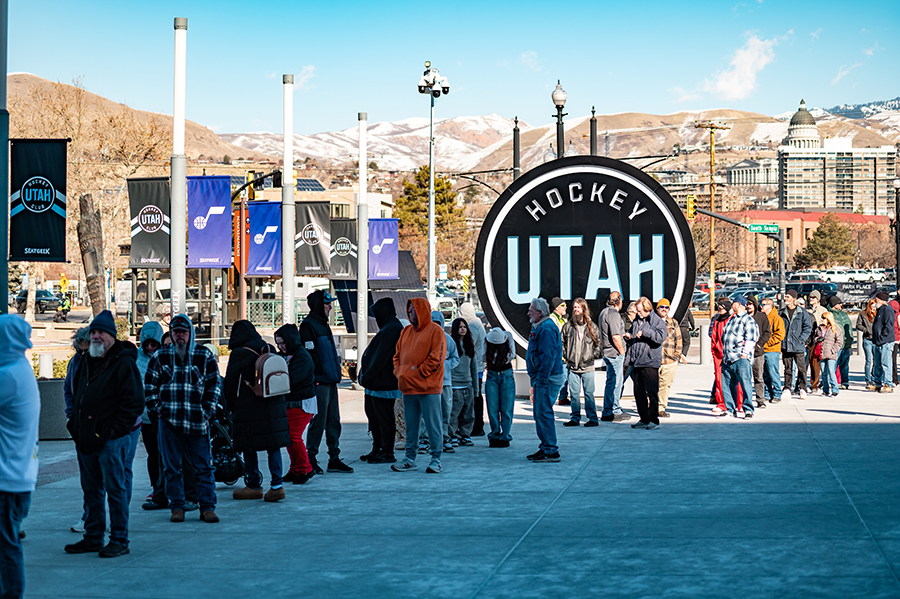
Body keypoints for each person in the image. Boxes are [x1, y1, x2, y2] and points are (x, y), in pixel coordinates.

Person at [65, 310, 144, 558]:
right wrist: (74, 426)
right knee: (91, 490)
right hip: (86, 439)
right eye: (94, 332)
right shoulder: (86, 360)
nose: (96, 336)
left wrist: (113, 432)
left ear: (111, 336)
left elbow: (133, 403)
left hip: (111, 441)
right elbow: (76, 393)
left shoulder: (123, 363)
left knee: (116, 490)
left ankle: (119, 539)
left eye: (101, 332)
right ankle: (93, 536)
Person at [144, 314, 221, 523]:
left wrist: (207, 411)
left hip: (197, 421)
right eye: (176, 332)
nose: (179, 336)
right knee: (171, 467)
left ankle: (207, 508)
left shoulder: (204, 355)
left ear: (190, 334)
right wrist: (157, 409)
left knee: (204, 467)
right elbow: (149, 386)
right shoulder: (160, 356)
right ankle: (176, 507)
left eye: (183, 332)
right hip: (168, 423)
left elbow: (214, 386)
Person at [224, 320, 290, 501]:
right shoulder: (268, 348)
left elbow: (231, 384)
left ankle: (253, 484)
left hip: (248, 408)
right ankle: (277, 486)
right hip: (273, 406)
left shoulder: (239, 353)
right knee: (273, 445)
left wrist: (228, 407)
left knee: (248, 444)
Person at [0, 316, 40, 598]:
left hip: (7, 482)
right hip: (18, 478)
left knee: (6, 546)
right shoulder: (20, 368)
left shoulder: (9, 375)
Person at [300, 290, 352, 474]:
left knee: (333, 421)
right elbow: (309, 354)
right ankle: (311, 458)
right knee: (319, 421)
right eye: (327, 303)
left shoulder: (323, 324)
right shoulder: (308, 326)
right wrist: (320, 373)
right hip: (320, 382)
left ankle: (334, 458)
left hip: (330, 381)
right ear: (317, 305)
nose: (330, 306)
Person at [392, 298, 446, 473]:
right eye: (408, 309)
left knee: (433, 425)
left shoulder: (436, 331)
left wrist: (416, 373)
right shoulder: (405, 332)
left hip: (428, 388)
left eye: (413, 309)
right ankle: (409, 459)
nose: (410, 312)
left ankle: (436, 459)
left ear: (422, 310)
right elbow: (397, 356)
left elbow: (436, 358)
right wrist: (400, 373)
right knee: (411, 425)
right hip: (408, 388)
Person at [357, 298, 403, 464]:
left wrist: (366, 377)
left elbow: (379, 359)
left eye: (377, 315)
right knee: (375, 418)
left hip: (383, 385)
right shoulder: (388, 327)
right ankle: (378, 448)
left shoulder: (391, 329)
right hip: (375, 385)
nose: (375, 319)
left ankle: (386, 451)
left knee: (384, 419)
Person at [274, 323, 319, 482]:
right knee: (289, 437)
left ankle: (306, 469)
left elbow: (292, 379)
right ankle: (295, 469)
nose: (281, 346)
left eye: (283, 342)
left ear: (291, 340)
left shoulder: (302, 356)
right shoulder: (285, 356)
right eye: (278, 343)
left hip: (301, 403)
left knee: (293, 436)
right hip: (290, 402)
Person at [526, 297, 564, 461]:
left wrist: (540, 380)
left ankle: (550, 449)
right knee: (540, 413)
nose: (528, 312)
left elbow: (547, 358)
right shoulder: (542, 327)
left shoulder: (546, 329)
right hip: (543, 379)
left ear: (540, 313)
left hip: (547, 379)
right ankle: (546, 446)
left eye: (531, 310)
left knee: (544, 413)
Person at [134, 322, 167, 511]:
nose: (150, 348)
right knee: (153, 454)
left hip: (163, 414)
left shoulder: (165, 356)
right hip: (146, 417)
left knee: (167, 454)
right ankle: (156, 487)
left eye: (153, 344)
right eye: (147, 344)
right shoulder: (136, 358)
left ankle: (168, 488)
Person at [63, 327, 91, 533]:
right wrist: (71, 415)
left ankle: (112, 520)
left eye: (86, 351)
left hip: (105, 427)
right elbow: (67, 389)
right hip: (82, 425)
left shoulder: (104, 362)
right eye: (79, 351)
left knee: (116, 478)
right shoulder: (76, 362)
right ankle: (89, 516)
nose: (82, 355)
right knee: (89, 477)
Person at [624, 297, 667, 430]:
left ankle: (653, 419)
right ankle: (643, 418)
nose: (638, 313)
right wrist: (630, 336)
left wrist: (646, 333)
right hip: (637, 361)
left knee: (652, 392)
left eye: (640, 311)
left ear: (647, 309)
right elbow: (634, 333)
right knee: (638, 392)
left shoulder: (657, 321)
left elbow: (660, 337)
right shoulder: (637, 321)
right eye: (637, 311)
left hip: (649, 361)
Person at [561, 298, 602, 426]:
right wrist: (566, 356)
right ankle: (575, 418)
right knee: (574, 394)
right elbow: (560, 343)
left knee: (589, 394)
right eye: (574, 307)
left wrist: (592, 356)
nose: (576, 310)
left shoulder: (592, 327)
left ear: (584, 309)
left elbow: (599, 344)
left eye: (578, 307)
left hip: (587, 366)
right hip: (572, 366)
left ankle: (593, 419)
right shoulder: (568, 326)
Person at [720, 296, 759, 419]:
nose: (732, 304)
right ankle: (730, 409)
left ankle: (748, 409)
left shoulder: (748, 320)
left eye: (734, 302)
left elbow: (751, 338)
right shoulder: (732, 319)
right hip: (728, 358)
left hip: (740, 358)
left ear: (740, 304)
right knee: (727, 385)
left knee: (745, 383)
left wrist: (744, 355)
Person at [598, 292, 630, 422]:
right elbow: (615, 336)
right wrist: (622, 352)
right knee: (616, 383)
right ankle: (615, 410)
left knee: (611, 382)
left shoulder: (603, 312)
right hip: (614, 353)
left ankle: (607, 410)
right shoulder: (614, 314)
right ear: (619, 301)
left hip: (607, 352)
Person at [430, 311, 459, 453]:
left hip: (445, 382)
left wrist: (444, 366)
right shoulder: (425, 338)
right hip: (428, 383)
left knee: (445, 411)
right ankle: (426, 439)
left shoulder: (448, 339)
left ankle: (444, 436)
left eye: (438, 323)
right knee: (429, 412)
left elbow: (456, 358)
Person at [448, 317, 478, 447]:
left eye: (464, 327)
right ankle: (453, 435)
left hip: (468, 384)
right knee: (454, 413)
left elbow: (474, 368)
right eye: (460, 327)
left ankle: (465, 435)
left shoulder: (470, 346)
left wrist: (476, 388)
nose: (462, 329)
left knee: (468, 413)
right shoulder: (452, 345)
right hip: (455, 385)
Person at [458, 302, 486, 436]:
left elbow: (468, 344)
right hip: (478, 366)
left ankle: (477, 426)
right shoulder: (477, 323)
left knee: (475, 397)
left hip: (475, 368)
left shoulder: (473, 326)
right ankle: (477, 426)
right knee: (476, 396)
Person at [484, 328, 516, 447]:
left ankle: (504, 435)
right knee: (492, 408)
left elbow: (511, 355)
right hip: (496, 373)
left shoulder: (508, 337)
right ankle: (496, 433)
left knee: (506, 407)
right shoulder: (487, 339)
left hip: (503, 373)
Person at [781, 290, 812, 400]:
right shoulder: (782, 312)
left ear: (794, 299)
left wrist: (801, 339)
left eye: (788, 297)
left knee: (801, 368)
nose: (786, 299)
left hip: (798, 345)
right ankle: (787, 388)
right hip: (786, 345)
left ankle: (802, 388)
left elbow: (808, 327)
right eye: (785, 297)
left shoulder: (802, 312)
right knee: (788, 368)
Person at [656, 298, 682, 419]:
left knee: (665, 385)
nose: (664, 309)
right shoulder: (652, 322)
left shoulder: (674, 323)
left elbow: (679, 340)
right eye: (662, 307)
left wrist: (677, 356)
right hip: (654, 360)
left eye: (666, 307)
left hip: (669, 361)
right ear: (657, 309)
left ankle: (661, 408)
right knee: (652, 385)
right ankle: (651, 406)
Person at [709, 298, 735, 415]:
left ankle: (736, 403)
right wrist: (715, 352)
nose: (719, 310)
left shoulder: (733, 320)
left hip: (732, 355)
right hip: (719, 356)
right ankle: (722, 403)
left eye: (721, 308)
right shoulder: (717, 321)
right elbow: (713, 338)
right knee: (720, 380)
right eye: (718, 308)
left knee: (734, 380)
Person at [747, 297, 771, 409]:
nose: (749, 306)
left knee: (759, 378)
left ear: (755, 305)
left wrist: (760, 344)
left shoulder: (761, 317)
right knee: (745, 378)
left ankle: (760, 400)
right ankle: (744, 400)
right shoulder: (743, 317)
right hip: (745, 353)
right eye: (747, 304)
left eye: (751, 304)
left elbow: (767, 332)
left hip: (758, 353)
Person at [760, 299, 785, 404]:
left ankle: (777, 394)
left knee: (773, 372)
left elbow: (780, 335)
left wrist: (766, 343)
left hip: (772, 350)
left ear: (770, 306)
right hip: (761, 350)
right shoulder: (762, 318)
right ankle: (767, 393)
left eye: (763, 305)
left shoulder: (777, 318)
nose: (760, 307)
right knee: (764, 374)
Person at [827, 296, 853, 390]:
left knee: (845, 365)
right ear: (834, 305)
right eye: (839, 303)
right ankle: (830, 382)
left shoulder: (844, 315)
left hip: (846, 344)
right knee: (832, 365)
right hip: (836, 345)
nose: (840, 305)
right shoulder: (829, 315)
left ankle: (845, 382)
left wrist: (851, 338)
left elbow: (849, 326)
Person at [873, 291, 895, 393]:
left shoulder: (888, 310)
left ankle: (888, 384)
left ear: (881, 300)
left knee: (886, 363)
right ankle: (877, 383)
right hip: (878, 341)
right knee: (877, 363)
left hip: (885, 341)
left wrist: (882, 337)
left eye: (877, 298)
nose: (875, 300)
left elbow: (888, 326)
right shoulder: (880, 309)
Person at [806, 290, 827, 393]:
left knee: (815, 364)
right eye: (810, 297)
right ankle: (801, 384)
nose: (811, 299)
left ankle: (814, 385)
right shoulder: (806, 310)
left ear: (818, 299)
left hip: (817, 340)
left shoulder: (823, 310)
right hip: (806, 340)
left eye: (813, 297)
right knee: (804, 364)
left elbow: (826, 324)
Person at [549, 297, 569, 406]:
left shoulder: (563, 318)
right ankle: (556, 398)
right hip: (558, 354)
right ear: (556, 307)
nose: (565, 307)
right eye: (562, 305)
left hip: (564, 353)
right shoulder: (552, 319)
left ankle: (563, 397)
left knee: (565, 377)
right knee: (561, 377)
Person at [819, 312, 844, 397]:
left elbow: (839, 342)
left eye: (824, 318)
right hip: (822, 353)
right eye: (822, 317)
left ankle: (835, 389)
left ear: (828, 319)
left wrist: (833, 350)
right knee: (823, 372)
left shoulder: (835, 329)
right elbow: (814, 338)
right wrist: (817, 339)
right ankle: (825, 389)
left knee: (831, 371)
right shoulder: (820, 328)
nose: (822, 319)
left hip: (831, 354)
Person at [856, 299, 878, 390]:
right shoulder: (863, 314)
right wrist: (866, 330)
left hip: (876, 340)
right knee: (869, 359)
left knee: (876, 360)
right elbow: (858, 325)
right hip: (867, 339)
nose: (873, 309)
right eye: (872, 307)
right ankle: (868, 379)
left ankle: (874, 377)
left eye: (875, 307)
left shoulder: (879, 314)